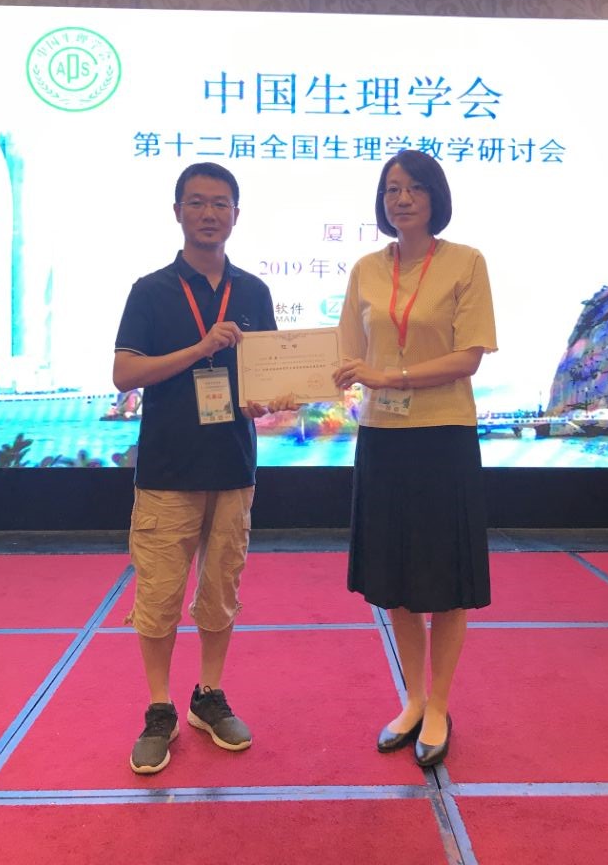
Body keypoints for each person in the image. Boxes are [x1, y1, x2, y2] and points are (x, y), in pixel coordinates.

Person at [114, 161, 296, 775]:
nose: (209, 213)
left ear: (236, 215)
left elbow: (265, 378)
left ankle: (208, 696)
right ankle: (159, 708)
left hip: (233, 467)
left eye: (220, 203)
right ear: (177, 212)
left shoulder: (254, 292)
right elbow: (124, 373)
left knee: (221, 589)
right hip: (167, 469)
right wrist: (200, 348)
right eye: (196, 202)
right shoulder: (151, 290)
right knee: (159, 594)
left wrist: (271, 400)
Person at [333, 150, 497, 767]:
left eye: (414, 188)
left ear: (435, 197)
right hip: (383, 438)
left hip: (443, 436)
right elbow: (344, 356)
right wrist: (279, 384)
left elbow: (468, 357)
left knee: (446, 582)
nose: (401, 199)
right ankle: (414, 699)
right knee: (395, 580)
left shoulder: (466, 262)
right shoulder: (366, 270)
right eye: (391, 189)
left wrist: (389, 376)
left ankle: (440, 704)